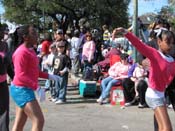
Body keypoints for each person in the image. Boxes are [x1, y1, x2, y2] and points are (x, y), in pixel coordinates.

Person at [115, 27, 175, 131]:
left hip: (161, 95)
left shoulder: (171, 60)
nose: (170, 45)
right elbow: (139, 45)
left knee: (161, 127)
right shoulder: (155, 54)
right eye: (167, 42)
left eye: (172, 43)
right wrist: (126, 33)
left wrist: (165, 83)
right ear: (159, 42)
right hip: (153, 95)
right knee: (167, 129)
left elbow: (171, 75)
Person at [10, 25, 59, 131]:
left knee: (19, 123)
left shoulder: (30, 50)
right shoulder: (21, 52)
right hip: (21, 90)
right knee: (38, 120)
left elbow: (33, 71)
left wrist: (49, 76)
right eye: (33, 33)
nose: (37, 35)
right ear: (25, 37)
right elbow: (20, 75)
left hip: (25, 89)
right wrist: (37, 87)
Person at [0, 24, 14, 131]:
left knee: (4, 113)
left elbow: (8, 64)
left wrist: (14, 78)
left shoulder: (4, 45)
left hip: (2, 83)